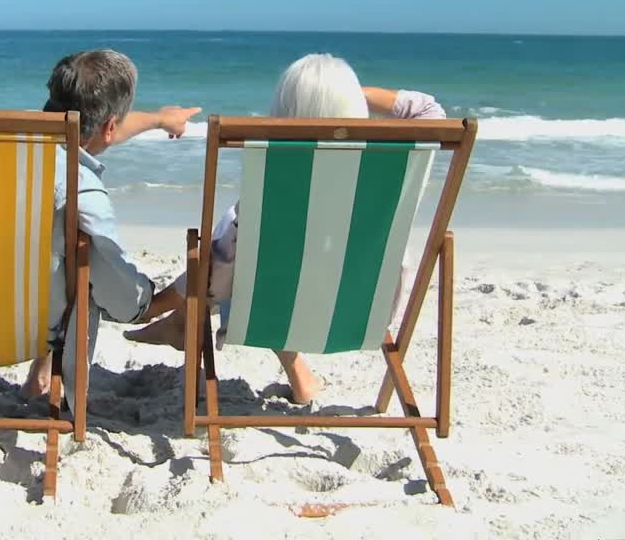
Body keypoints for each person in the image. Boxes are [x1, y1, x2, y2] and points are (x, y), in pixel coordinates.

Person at [124, 53, 446, 404]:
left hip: (277, 308)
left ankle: (179, 321)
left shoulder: (277, 187)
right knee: (268, 257)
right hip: (366, 306)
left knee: (244, 254)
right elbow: (431, 110)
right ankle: (185, 326)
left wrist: (163, 302)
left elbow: (218, 276)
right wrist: (348, 92)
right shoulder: (390, 170)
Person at [0, 48, 201, 397]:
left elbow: (98, 131)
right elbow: (123, 299)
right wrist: (160, 300)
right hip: (31, 324)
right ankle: (42, 378)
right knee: (78, 264)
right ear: (110, 127)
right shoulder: (79, 188)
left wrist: (161, 119)